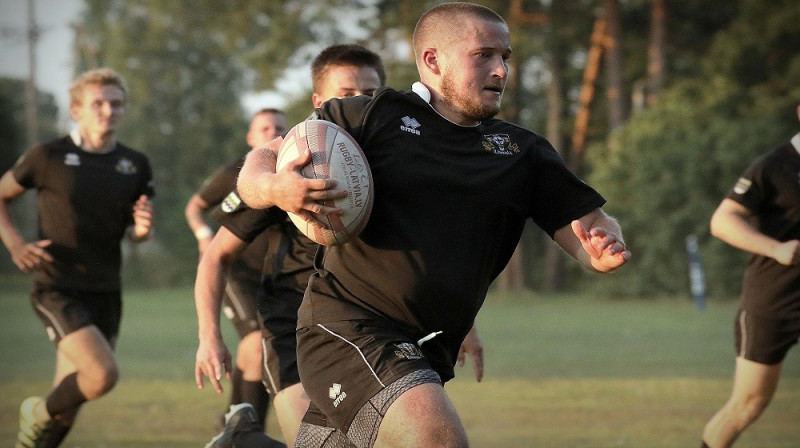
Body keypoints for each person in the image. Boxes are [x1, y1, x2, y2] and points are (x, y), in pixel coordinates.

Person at [235, 3, 630, 447]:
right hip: (348, 329)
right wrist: (273, 188)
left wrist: (601, 243)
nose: (500, 70)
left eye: (506, 57)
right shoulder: (369, 115)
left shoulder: (521, 152)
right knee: (437, 440)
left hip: (429, 350)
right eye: (483, 55)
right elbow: (263, 159)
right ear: (432, 61)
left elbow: (584, 224)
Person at [0, 68, 154, 448]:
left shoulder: (135, 164)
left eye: (116, 103)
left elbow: (134, 230)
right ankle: (34, 412)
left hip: (106, 289)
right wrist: (17, 245)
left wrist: (142, 231)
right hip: (57, 286)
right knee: (101, 376)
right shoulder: (47, 156)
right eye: (98, 103)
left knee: (70, 400)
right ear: (76, 110)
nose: (108, 110)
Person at [699, 105, 800, 448]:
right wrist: (776, 249)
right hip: (775, 300)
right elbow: (722, 221)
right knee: (748, 404)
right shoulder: (774, 166)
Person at [186, 108, 288, 430]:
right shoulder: (235, 173)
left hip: (274, 276)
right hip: (237, 273)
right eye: (264, 127)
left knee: (256, 351)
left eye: (279, 127)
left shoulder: (292, 170)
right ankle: (244, 429)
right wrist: (205, 237)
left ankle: (233, 424)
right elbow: (195, 205)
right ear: (250, 136)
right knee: (257, 344)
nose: (272, 131)